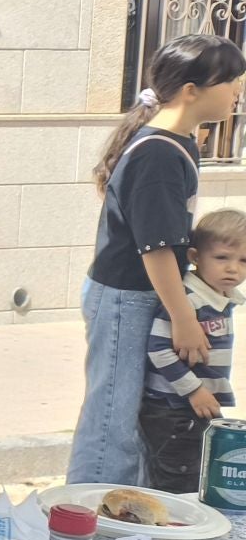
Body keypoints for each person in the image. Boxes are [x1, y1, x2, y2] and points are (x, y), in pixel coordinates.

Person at [67, 34, 246, 486]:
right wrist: (183, 318)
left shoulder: (180, 141)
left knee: (130, 413)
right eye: (231, 81)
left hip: (143, 294)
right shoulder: (159, 154)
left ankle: (125, 512)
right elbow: (157, 249)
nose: (238, 91)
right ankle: (91, 518)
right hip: (126, 297)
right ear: (192, 91)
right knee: (112, 416)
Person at [140, 207, 246, 494]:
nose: (233, 268)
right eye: (222, 257)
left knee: (197, 476)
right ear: (196, 258)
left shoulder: (222, 299)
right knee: (176, 482)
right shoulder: (188, 298)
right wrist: (194, 390)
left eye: (243, 260)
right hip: (173, 410)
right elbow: (159, 349)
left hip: (194, 408)